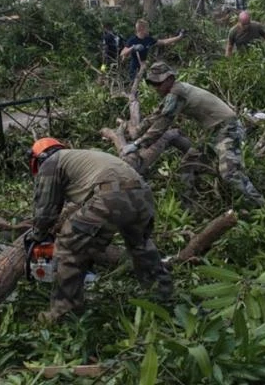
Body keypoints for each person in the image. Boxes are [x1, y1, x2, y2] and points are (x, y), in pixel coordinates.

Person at [23, 138, 173, 323]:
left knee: (69, 248)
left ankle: (63, 313)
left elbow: (45, 210)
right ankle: (162, 293)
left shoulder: (51, 163)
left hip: (110, 196)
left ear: (38, 158)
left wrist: (37, 235)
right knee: (140, 245)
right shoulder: (80, 157)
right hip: (142, 193)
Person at [121, 62, 265, 208]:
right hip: (212, 132)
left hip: (227, 129)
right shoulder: (173, 92)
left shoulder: (177, 93)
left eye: (159, 84)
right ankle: (188, 208)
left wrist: (137, 144)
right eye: (153, 84)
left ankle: (260, 205)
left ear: (170, 78)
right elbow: (156, 115)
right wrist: (137, 130)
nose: (156, 88)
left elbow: (162, 124)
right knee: (188, 165)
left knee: (230, 173)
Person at [119, 18, 185, 81]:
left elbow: (164, 42)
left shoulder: (148, 39)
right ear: (142, 29)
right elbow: (122, 53)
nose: (148, 30)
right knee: (135, 87)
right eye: (147, 28)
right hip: (134, 69)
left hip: (144, 67)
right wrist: (133, 47)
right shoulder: (132, 40)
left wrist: (179, 37)